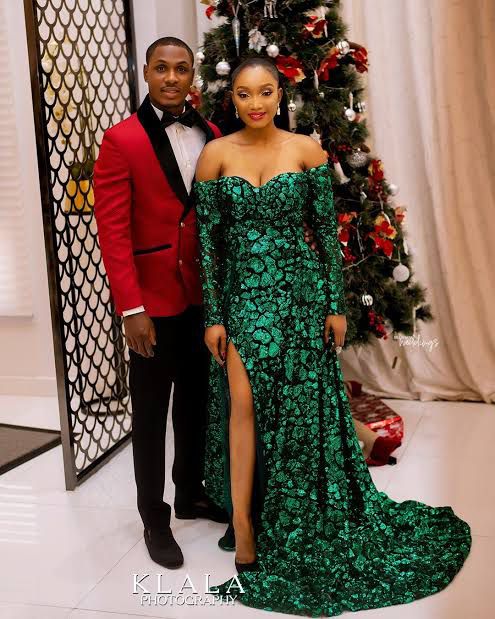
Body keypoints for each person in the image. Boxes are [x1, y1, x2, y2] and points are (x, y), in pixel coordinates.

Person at [192, 57, 471, 615]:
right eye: (244, 94)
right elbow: (210, 247)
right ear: (233, 99)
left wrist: (335, 307)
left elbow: (324, 235)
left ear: (280, 94)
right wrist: (214, 317)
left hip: (300, 297)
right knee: (242, 404)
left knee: (301, 410)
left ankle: (295, 511)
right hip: (245, 299)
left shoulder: (306, 151)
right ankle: (243, 526)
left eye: (265, 92)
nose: (255, 103)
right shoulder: (215, 155)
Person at [93, 37, 230, 570]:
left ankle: (190, 491)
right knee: (150, 414)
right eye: (161, 68)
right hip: (150, 304)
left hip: (203, 299)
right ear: (146, 73)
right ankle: (154, 515)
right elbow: (113, 232)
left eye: (181, 69)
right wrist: (131, 309)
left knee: (196, 402)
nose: (172, 78)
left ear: (192, 75)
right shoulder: (120, 140)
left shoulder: (211, 133)